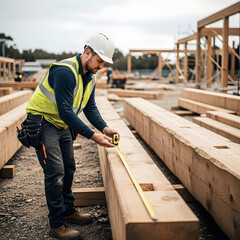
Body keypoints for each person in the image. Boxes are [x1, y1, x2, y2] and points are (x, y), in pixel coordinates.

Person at [26, 33, 119, 240]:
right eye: (99, 61)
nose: (101, 66)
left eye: (103, 63)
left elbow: (90, 108)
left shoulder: (90, 77)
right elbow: (66, 112)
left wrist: (104, 128)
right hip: (43, 122)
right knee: (55, 171)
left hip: (60, 124)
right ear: (87, 52)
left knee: (69, 167)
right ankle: (57, 224)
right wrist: (93, 136)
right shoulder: (65, 71)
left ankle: (69, 210)